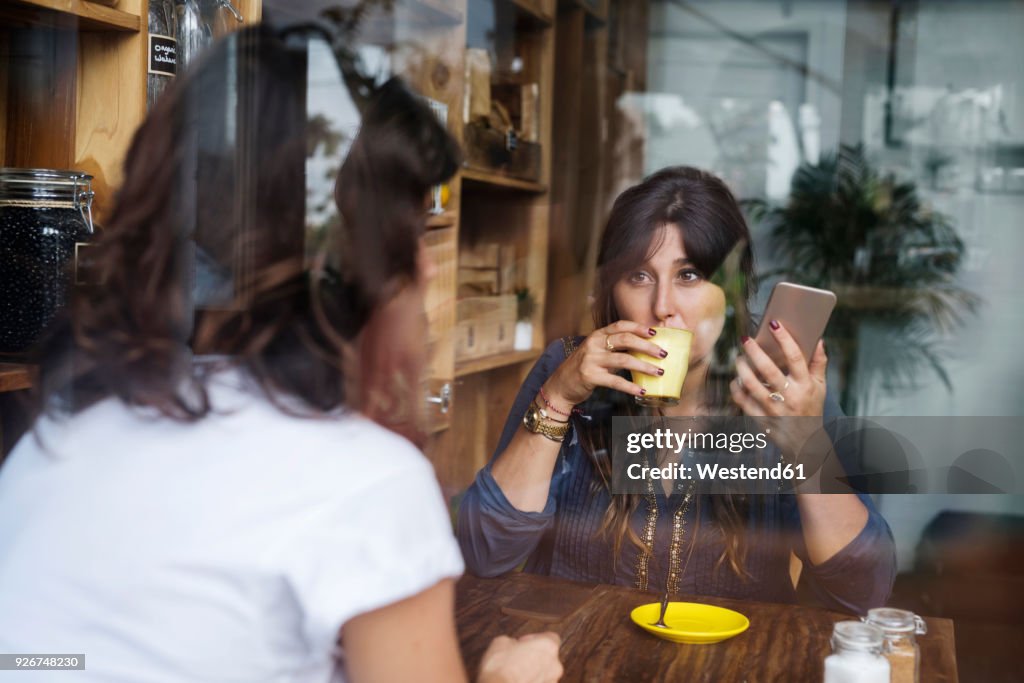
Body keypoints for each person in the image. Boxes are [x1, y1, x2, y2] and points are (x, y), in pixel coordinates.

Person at [0, 25, 561, 683]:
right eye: (409, 232)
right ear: (346, 257)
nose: (429, 269)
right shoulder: (366, 484)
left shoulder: (55, 441)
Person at [457, 167, 896, 614]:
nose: (662, 307)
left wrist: (807, 445)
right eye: (639, 277)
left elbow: (863, 592)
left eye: (688, 275)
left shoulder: (785, 394)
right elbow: (485, 553)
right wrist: (559, 398)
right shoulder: (566, 371)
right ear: (613, 292)